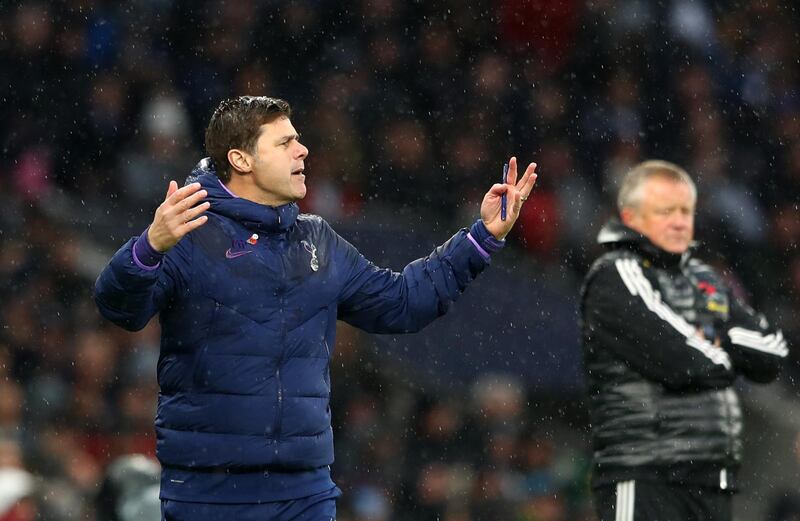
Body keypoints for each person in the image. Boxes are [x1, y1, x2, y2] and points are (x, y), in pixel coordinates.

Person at [94, 96, 538, 521]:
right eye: (285, 142)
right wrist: (148, 248)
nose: (302, 150)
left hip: (305, 491)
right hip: (210, 492)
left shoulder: (318, 241)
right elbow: (120, 309)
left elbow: (403, 303)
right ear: (241, 160)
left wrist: (480, 239)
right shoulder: (187, 231)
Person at [580, 159, 788, 521]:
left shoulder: (706, 278)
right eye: (664, 211)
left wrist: (714, 337)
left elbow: (772, 352)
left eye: (685, 210)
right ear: (630, 217)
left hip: (711, 477)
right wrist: (725, 351)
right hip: (644, 474)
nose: (679, 222)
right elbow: (682, 359)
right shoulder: (613, 275)